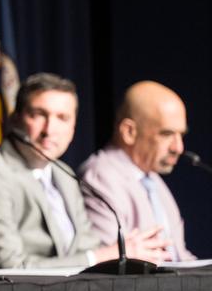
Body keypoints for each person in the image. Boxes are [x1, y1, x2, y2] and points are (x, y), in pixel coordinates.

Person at [0, 73, 169, 269]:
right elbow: (11, 267)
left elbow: (86, 247)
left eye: (62, 118)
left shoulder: (63, 174)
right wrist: (102, 256)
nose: (49, 130)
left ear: (73, 128)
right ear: (15, 119)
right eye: (39, 114)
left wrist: (122, 256)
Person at [78, 81, 195, 261]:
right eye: (166, 134)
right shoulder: (100, 177)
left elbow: (179, 256)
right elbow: (112, 263)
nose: (178, 148)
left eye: (181, 135)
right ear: (129, 132)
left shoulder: (153, 181)